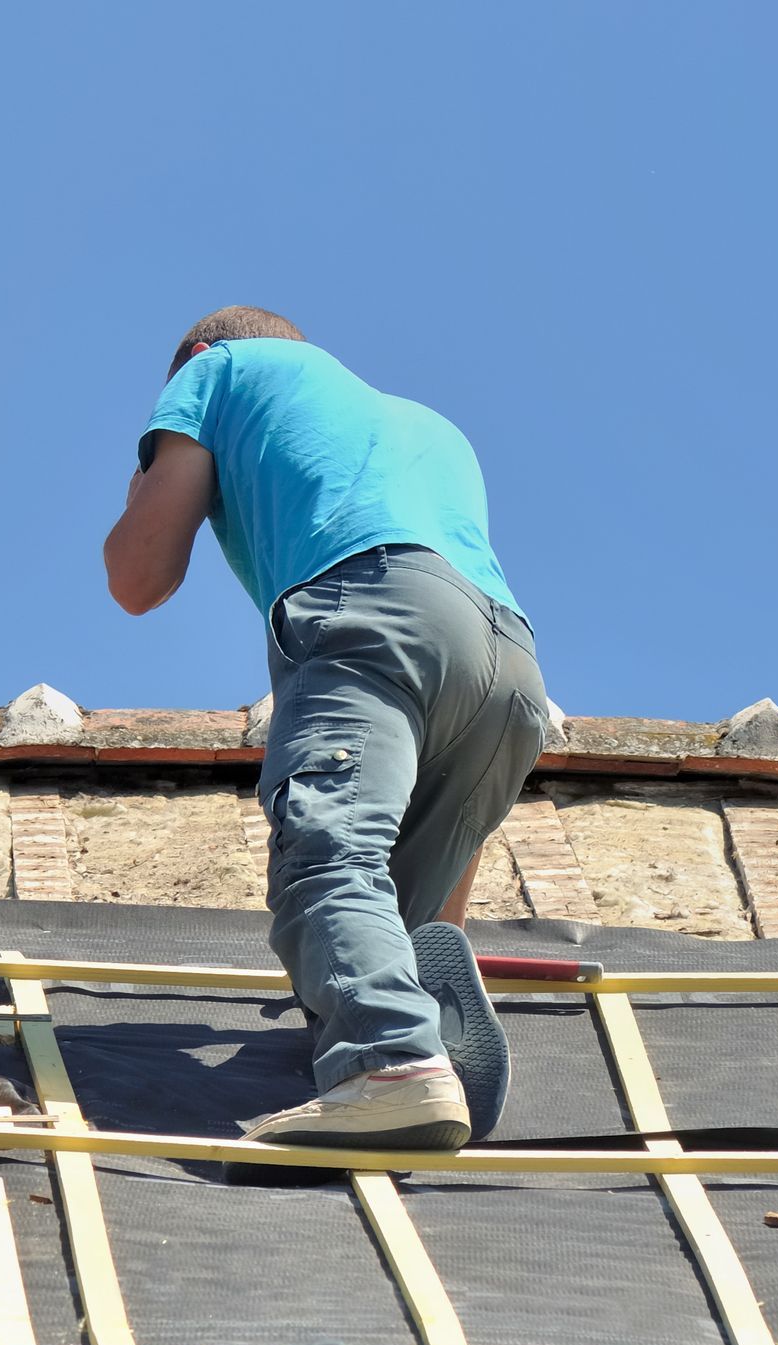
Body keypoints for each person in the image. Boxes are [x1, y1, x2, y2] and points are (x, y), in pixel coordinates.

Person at [103, 306, 547, 1152]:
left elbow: (140, 574)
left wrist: (149, 478)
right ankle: (415, 1044)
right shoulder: (429, 426)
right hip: (508, 664)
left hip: (377, 610)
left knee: (327, 852)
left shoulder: (220, 369)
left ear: (199, 354)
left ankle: (389, 1062)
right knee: (388, 919)